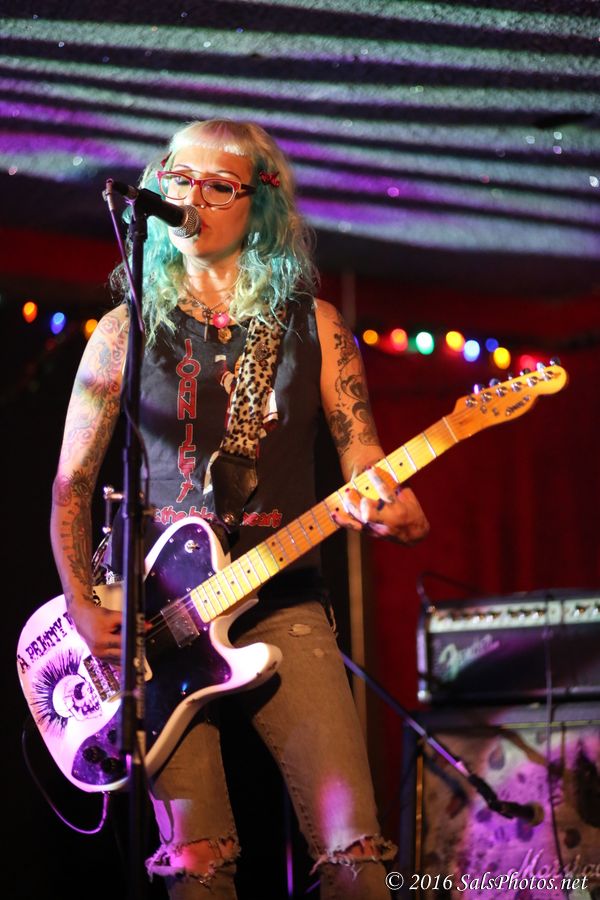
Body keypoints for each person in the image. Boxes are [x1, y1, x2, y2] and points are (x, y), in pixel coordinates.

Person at [50, 118, 429, 899]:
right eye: (178, 179)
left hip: (283, 599)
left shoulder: (316, 327)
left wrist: (388, 503)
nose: (192, 198)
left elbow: (362, 457)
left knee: (354, 848)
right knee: (198, 861)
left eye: (218, 186)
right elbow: (72, 486)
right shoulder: (124, 332)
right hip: (154, 622)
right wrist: (82, 604)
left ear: (261, 203)